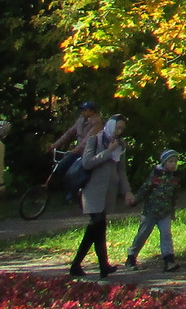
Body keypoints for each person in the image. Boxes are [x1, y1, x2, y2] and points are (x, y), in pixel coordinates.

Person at [69, 113, 133, 279]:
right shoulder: (95, 140)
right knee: (97, 224)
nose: (119, 131)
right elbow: (87, 163)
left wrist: (127, 191)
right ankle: (102, 265)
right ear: (110, 125)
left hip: (108, 192)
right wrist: (107, 151)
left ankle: (77, 265)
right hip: (92, 191)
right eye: (117, 127)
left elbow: (121, 171)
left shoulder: (120, 144)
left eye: (122, 128)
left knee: (97, 227)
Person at [126, 149, 181, 273]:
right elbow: (145, 189)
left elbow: (174, 195)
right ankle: (131, 257)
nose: (173, 164)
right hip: (150, 212)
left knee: (166, 234)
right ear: (164, 162)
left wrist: (172, 211)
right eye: (170, 161)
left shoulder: (175, 177)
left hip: (165, 213)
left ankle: (169, 260)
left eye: (175, 162)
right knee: (142, 235)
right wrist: (135, 200)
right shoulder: (156, 175)